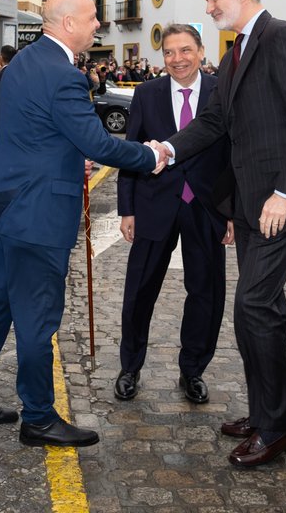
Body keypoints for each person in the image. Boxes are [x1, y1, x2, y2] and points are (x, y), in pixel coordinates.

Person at [0, 0, 161, 449]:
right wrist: (151, 155)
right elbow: (98, 143)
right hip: (34, 214)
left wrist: (65, 156)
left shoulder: (23, 61)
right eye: (92, 17)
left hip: (0, 203)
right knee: (37, 317)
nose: (98, 24)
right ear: (68, 24)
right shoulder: (64, 75)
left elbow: (34, 129)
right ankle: (39, 417)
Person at [158, 0, 286, 468]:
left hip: (280, 203)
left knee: (253, 305)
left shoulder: (281, 37)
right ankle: (265, 412)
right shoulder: (237, 52)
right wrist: (166, 149)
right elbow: (214, 122)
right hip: (251, 202)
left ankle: (276, 429)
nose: (208, 7)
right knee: (262, 309)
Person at [114, 24, 232, 405]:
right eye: (169, 52)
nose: (177, 59)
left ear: (201, 51)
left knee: (206, 293)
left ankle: (192, 370)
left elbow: (234, 155)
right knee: (139, 290)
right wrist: (127, 209)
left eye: (185, 50)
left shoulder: (222, 91)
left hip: (206, 208)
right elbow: (131, 153)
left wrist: (232, 212)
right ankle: (130, 367)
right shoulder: (146, 94)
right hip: (153, 204)